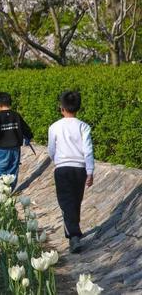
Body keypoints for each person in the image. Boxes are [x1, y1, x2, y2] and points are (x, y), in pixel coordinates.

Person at [48, 91, 94, 254]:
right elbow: (88, 151)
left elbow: (51, 150)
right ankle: (74, 232)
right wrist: (90, 171)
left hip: (62, 168)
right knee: (75, 201)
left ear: (61, 107)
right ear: (78, 107)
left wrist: (57, 161)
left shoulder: (54, 127)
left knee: (66, 202)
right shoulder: (84, 126)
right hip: (80, 168)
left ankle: (73, 236)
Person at [0, 92, 33, 191]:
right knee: (13, 169)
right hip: (15, 149)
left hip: (2, 149)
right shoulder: (16, 115)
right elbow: (26, 129)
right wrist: (29, 136)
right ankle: (9, 190)